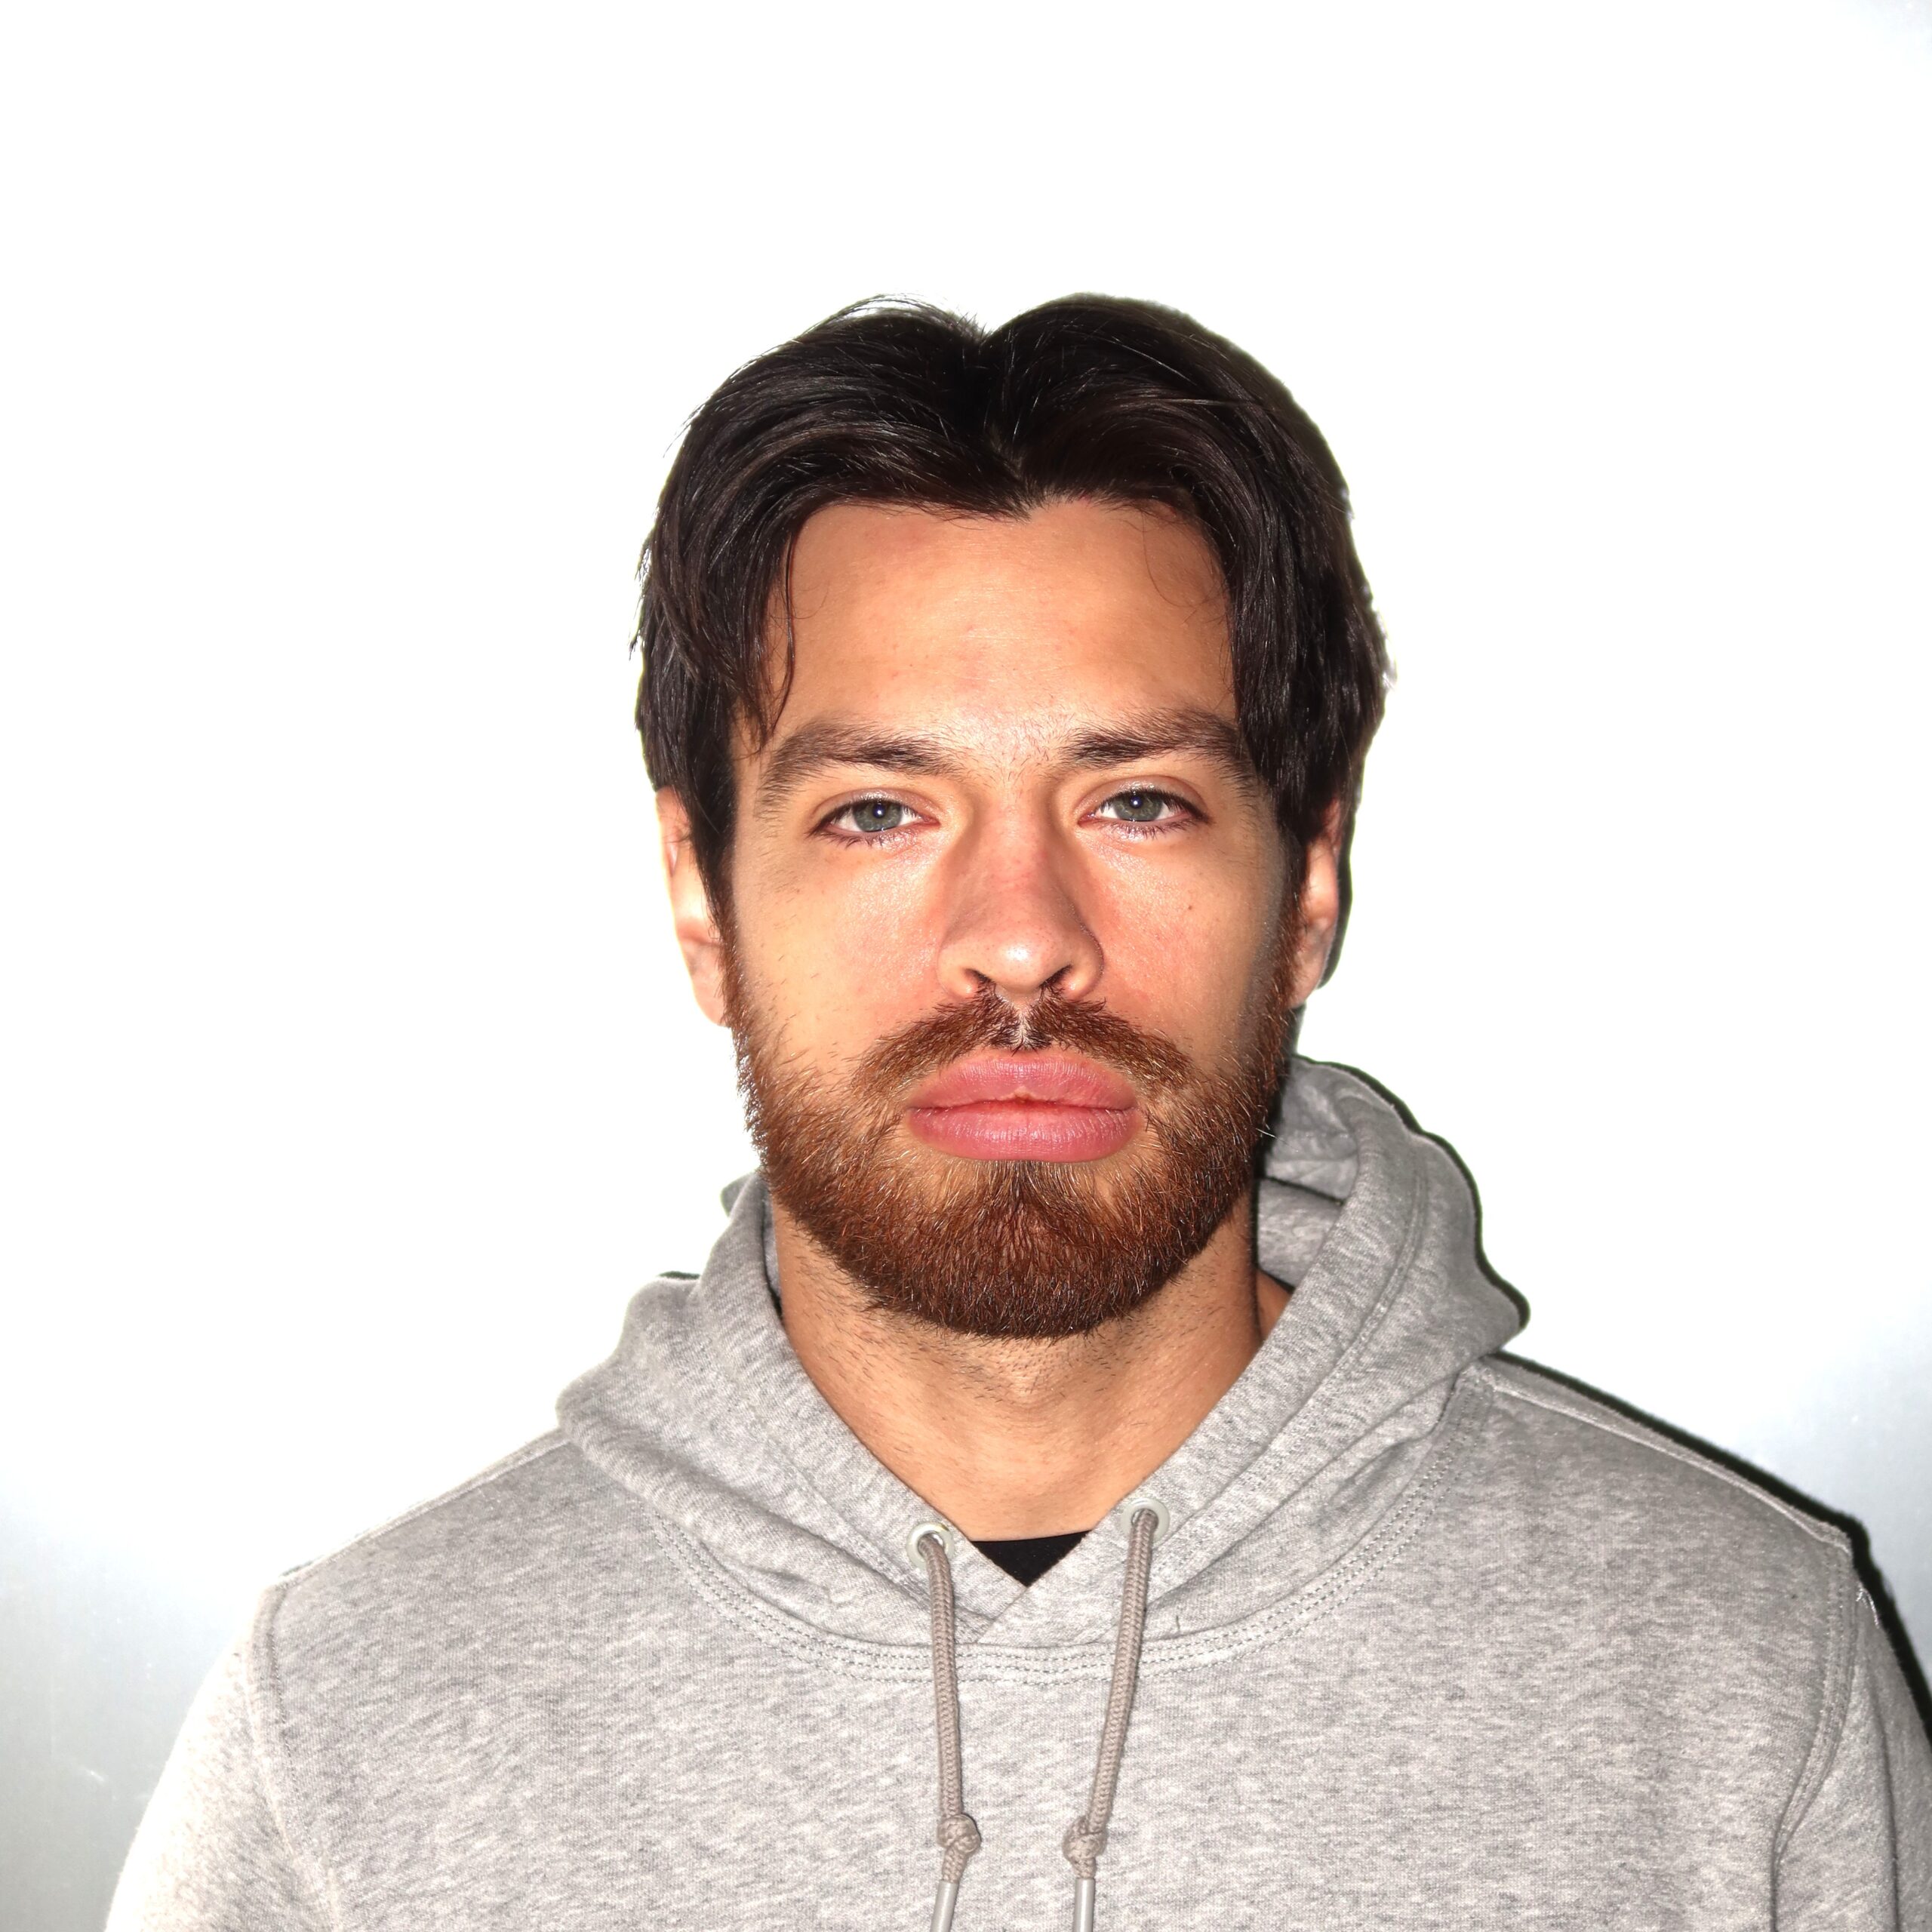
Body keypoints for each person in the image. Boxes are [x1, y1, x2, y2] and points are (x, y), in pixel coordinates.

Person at [110, 296, 1930, 1930]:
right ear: (699, 898)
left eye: (1136, 801)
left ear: (1306, 883)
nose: (1018, 937)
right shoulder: (350, 1721)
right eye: (875, 811)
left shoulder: (1737, 1669)